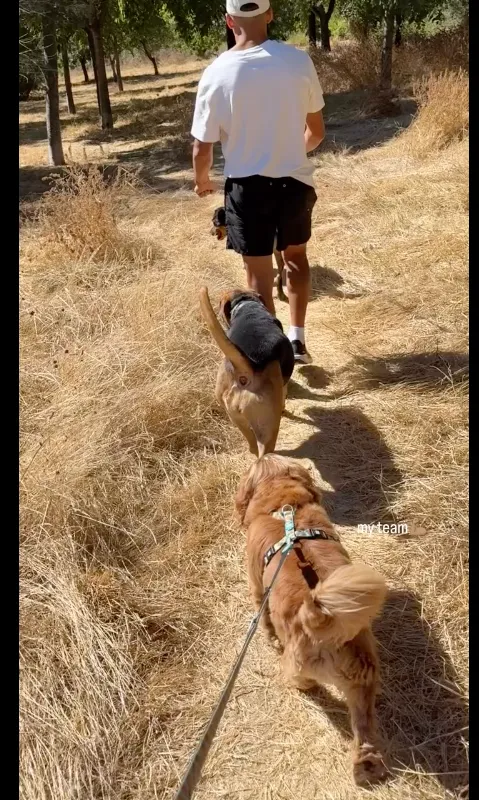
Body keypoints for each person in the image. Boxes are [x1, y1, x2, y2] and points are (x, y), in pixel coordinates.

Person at [191, 0, 325, 364]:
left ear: (229, 20)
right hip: (295, 182)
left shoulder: (216, 72)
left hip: (247, 188)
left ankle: (272, 351)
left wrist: (202, 182)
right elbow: (315, 132)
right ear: (269, 14)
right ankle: (297, 340)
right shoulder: (298, 61)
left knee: (258, 273)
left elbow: (202, 147)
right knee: (295, 259)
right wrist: (289, 152)